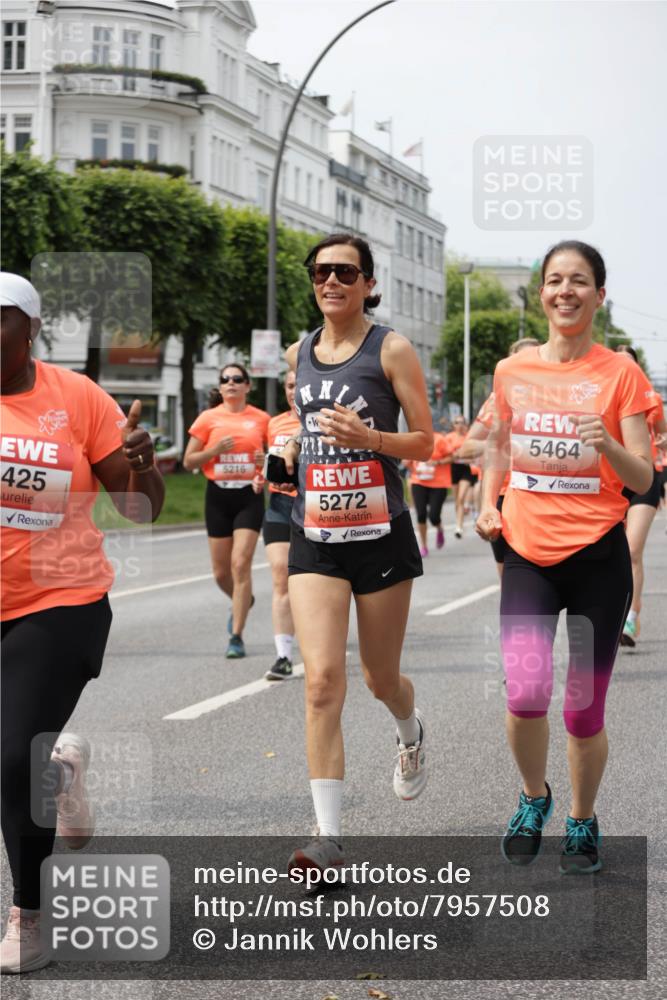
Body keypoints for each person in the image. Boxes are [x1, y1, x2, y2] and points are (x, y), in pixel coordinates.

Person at [0, 272, 165, 973]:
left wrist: (142, 468)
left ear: (31, 328)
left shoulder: (75, 400)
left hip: (57, 600)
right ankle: (62, 770)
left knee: (10, 758)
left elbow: (141, 508)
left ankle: (28, 915)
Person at [476, 242, 653, 875]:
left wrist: (607, 442)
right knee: (525, 694)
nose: (565, 291)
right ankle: (534, 798)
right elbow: (498, 446)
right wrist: (488, 501)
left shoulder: (621, 374)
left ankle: (582, 817)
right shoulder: (511, 372)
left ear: (599, 295)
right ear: (542, 293)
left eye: (579, 281)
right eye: (554, 281)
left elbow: (643, 476)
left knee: (582, 707)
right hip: (526, 555)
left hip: (597, 560)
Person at [279, 234, 433, 876]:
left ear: (369, 282)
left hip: (380, 536)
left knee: (378, 677)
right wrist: (290, 451)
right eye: (321, 272)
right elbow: (298, 423)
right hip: (314, 533)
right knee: (321, 683)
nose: (331, 281)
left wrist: (370, 437)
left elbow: (426, 441)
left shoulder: (390, 347)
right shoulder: (298, 353)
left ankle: (409, 731)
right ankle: (328, 839)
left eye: (345, 271)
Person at [183, 364, 269, 659]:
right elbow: (189, 462)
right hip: (217, 496)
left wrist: (267, 461)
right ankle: (243, 601)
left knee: (240, 564)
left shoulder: (261, 419)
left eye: (237, 379)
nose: (230, 383)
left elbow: (282, 458)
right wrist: (214, 451)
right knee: (221, 573)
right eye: (225, 379)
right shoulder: (208, 418)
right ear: (219, 388)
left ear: (248, 386)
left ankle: (236, 636)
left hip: (249, 496)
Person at [454, 338, 540, 577]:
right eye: (522, 360)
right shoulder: (496, 401)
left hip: (542, 494)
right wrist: (501, 444)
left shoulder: (554, 396)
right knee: (510, 574)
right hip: (503, 494)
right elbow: (466, 449)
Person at [615, 345, 667, 647]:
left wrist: (661, 442)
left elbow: (663, 435)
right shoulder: (599, 392)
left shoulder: (651, 398)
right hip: (609, 480)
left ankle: (632, 618)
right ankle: (611, 613)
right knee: (610, 552)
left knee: (632, 549)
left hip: (645, 476)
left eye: (628, 363)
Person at [263, 370, 300, 679]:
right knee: (280, 574)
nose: (293, 390)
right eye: (289, 385)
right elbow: (270, 461)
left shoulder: (322, 421)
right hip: (278, 504)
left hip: (314, 508)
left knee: (308, 581)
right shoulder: (274, 423)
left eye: (299, 385)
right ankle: (283, 656)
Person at [407, 428, 455, 557]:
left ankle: (439, 528)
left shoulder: (439, 439)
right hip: (419, 481)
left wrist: (436, 462)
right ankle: (423, 546)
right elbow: (407, 461)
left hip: (439, 483)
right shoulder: (412, 439)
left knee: (433, 516)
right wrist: (407, 462)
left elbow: (452, 457)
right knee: (421, 514)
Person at [446, 417, 476, 538]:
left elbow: (475, 454)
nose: (460, 425)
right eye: (457, 422)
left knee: (461, 496)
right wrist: (454, 455)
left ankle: (459, 526)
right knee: (457, 499)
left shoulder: (469, 437)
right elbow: (445, 453)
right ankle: (459, 523)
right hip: (453, 469)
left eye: (462, 423)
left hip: (466, 469)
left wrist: (465, 456)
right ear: (453, 425)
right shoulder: (449, 438)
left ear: (465, 425)